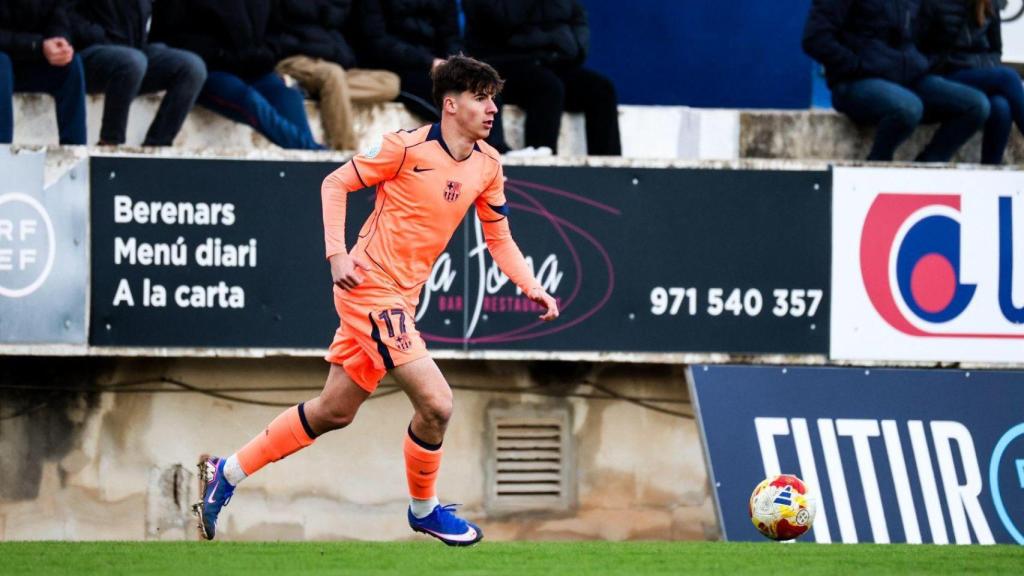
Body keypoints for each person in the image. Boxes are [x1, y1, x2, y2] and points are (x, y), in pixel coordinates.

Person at [192, 55, 559, 545]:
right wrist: (336, 254)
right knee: (437, 403)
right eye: (480, 97)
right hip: (368, 288)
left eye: (493, 97)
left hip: (402, 301)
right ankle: (424, 509)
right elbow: (335, 182)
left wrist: (529, 283)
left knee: (333, 411)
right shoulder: (405, 149)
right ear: (450, 106)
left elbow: (499, 238)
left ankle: (226, 473)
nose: (491, 108)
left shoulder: (489, 165)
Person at [802, 0, 990, 162]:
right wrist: (856, 65)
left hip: (907, 77)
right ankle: (877, 166)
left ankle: (926, 167)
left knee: (976, 105)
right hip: (856, 82)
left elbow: (924, 36)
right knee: (907, 108)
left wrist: (922, 62)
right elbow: (816, 38)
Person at [150, 0, 323, 150]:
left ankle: (312, 163)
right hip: (210, 71)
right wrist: (222, 55)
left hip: (255, 69)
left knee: (289, 97)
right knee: (251, 101)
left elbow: (279, 33)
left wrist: (266, 54)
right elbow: (172, 37)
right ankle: (317, 155)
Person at [463, 0, 621, 156]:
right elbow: (501, 18)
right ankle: (541, 167)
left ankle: (611, 172)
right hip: (504, 62)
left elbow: (576, 16)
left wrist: (576, 47)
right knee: (547, 87)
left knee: (600, 91)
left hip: (553, 61)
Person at [69, 0, 207, 146]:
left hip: (134, 55)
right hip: (87, 54)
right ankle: (109, 145)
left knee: (191, 68)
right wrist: (98, 35)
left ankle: (156, 149)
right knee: (131, 61)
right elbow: (62, 13)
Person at [273, 0, 400, 151]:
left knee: (390, 82)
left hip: (335, 65)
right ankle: (345, 154)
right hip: (296, 58)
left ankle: (327, 91)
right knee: (332, 75)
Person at [918, 0, 1024, 164]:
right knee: (1008, 77)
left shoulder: (988, 3)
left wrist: (980, 67)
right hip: (943, 74)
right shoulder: (933, 4)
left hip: (975, 73)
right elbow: (924, 50)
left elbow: (995, 50)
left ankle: (991, 174)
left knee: (1001, 106)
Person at [0, 0, 87, 145]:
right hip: (8, 61)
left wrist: (59, 41)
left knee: (70, 64)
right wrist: (36, 45)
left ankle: (74, 152)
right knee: (1, 63)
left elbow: (58, 15)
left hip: (27, 59)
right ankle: (2, 152)